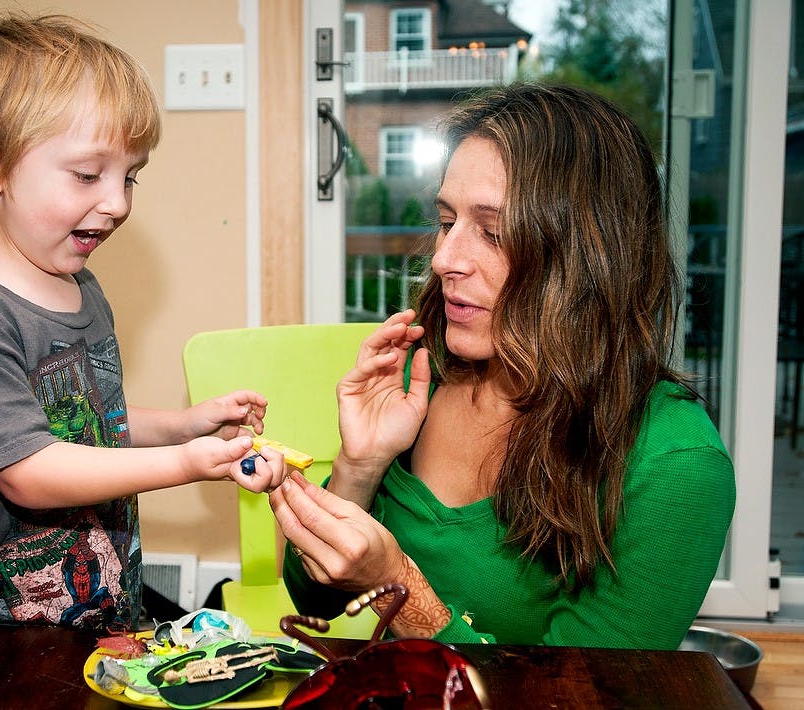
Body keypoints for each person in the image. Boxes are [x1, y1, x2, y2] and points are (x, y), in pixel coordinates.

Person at [270, 83, 736, 650]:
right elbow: (314, 597)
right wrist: (360, 469)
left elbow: (576, 697)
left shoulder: (674, 466)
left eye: (492, 232)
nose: (444, 259)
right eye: (447, 221)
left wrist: (403, 590)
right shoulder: (426, 372)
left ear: (588, 254)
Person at [0, 13, 287, 629]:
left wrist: (180, 426)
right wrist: (186, 464)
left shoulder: (82, 291)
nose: (117, 203)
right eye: (88, 174)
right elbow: (31, 470)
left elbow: (85, 424)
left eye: (129, 177)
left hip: (97, 617)